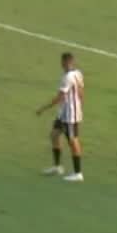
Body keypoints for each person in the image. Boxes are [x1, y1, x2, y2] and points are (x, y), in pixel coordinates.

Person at [35, 52, 86, 183]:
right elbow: (81, 90)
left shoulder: (68, 77)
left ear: (66, 62)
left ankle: (78, 173)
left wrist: (43, 108)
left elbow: (60, 97)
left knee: (73, 141)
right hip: (64, 113)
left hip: (70, 114)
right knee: (54, 135)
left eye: (62, 62)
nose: (61, 64)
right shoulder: (78, 73)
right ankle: (57, 167)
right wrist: (80, 103)